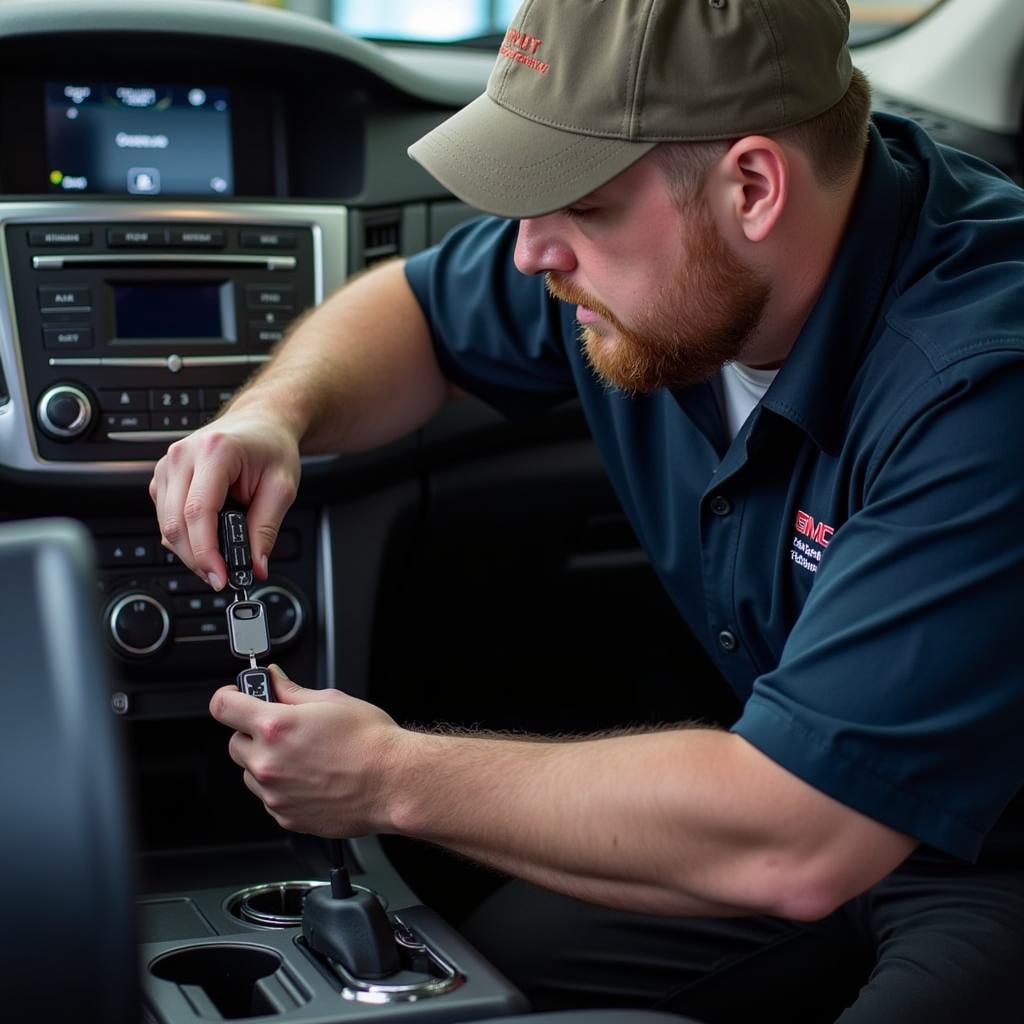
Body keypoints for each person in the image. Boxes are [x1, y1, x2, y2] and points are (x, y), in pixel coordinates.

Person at [149, 1, 1024, 1020]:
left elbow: (796, 833)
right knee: (502, 969)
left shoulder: (979, 384)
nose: (528, 254)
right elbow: (418, 311)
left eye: (577, 203)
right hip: (825, 800)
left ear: (752, 184)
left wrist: (386, 775)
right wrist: (273, 414)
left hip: (983, 851)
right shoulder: (666, 268)